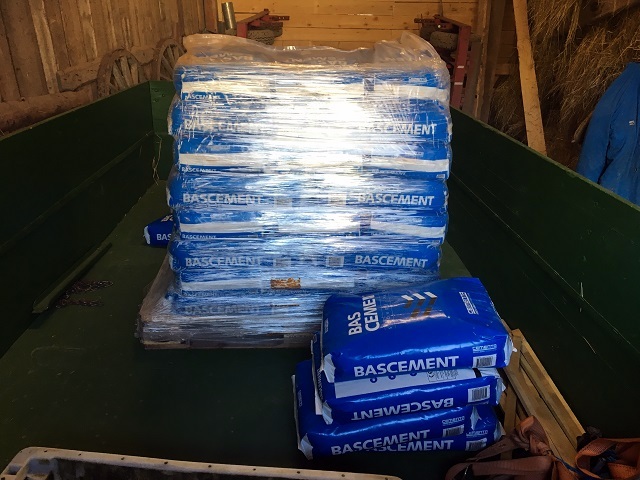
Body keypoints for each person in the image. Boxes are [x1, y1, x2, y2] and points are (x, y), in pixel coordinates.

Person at [576, 63, 640, 204]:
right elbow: (592, 157)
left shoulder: (619, 95)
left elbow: (591, 159)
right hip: (614, 198)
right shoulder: (620, 97)